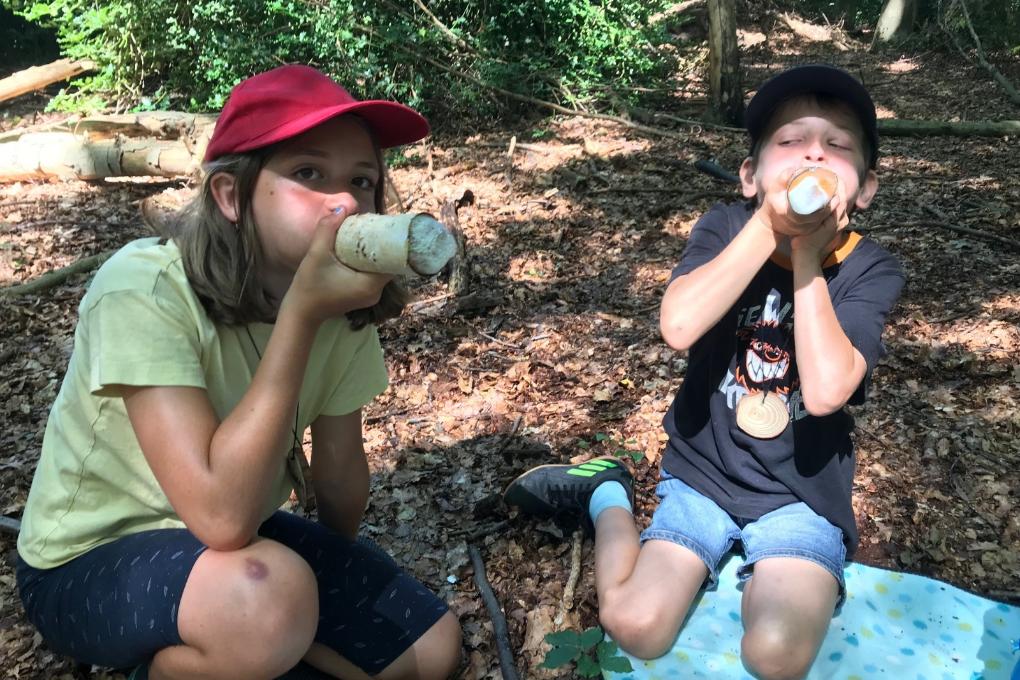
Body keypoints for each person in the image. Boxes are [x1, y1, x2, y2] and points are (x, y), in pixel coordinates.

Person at [15, 64, 462, 680]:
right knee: (263, 599)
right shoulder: (144, 286)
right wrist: (301, 318)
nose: (344, 201)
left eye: (362, 180)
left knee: (430, 650)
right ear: (231, 196)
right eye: (308, 173)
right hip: (90, 560)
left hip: (233, 546)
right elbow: (220, 519)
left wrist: (334, 583)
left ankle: (246, 643)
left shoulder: (344, 306)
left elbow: (339, 474)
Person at [504, 64, 904, 679]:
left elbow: (826, 392)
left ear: (866, 187)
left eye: (839, 145)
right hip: (703, 475)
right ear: (751, 175)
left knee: (775, 654)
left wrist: (805, 252)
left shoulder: (871, 270)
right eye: (790, 141)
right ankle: (607, 493)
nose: (814, 152)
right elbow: (680, 326)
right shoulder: (725, 228)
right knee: (636, 626)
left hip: (801, 497)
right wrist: (770, 226)